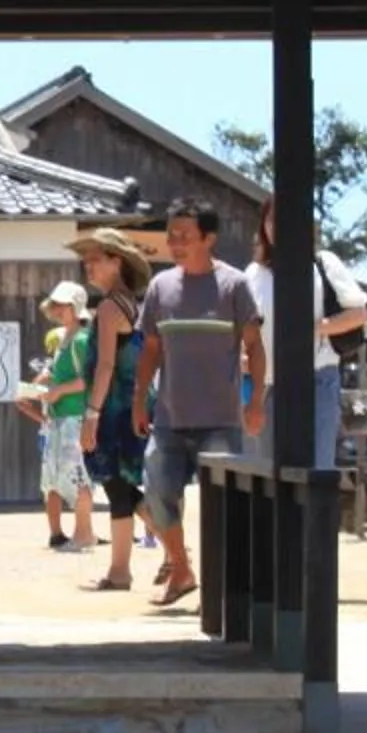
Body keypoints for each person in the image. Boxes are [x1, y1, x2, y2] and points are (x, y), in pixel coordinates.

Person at [133, 201, 268, 609]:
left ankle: (228, 592)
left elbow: (255, 346)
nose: (175, 243)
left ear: (209, 238)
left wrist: (256, 399)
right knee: (156, 493)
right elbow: (151, 349)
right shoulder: (160, 288)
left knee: (225, 509)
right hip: (169, 417)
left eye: (184, 236)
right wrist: (140, 400)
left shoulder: (233, 286)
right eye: (171, 235)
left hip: (220, 420)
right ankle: (181, 568)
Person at [246, 197, 367, 471]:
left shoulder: (323, 262)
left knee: (316, 469)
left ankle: (315, 517)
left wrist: (314, 329)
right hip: (269, 383)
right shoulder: (253, 274)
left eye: (286, 220)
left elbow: (359, 314)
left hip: (317, 378)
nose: (277, 227)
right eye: (270, 220)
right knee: (271, 471)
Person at [68, 228, 151, 592]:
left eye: (96, 259)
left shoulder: (108, 307)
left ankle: (177, 556)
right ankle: (121, 569)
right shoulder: (132, 303)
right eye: (86, 260)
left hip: (113, 409)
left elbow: (104, 366)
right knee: (122, 490)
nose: (89, 266)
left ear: (117, 262)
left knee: (121, 487)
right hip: (131, 404)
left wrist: (91, 415)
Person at [32, 279, 96, 553]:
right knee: (56, 476)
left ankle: (83, 533)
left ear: (75, 307)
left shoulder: (81, 339)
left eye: (62, 305)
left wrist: (58, 390)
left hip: (75, 416)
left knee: (77, 474)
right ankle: (69, 533)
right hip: (59, 417)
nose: (57, 310)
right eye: (55, 305)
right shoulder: (63, 339)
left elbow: (89, 380)